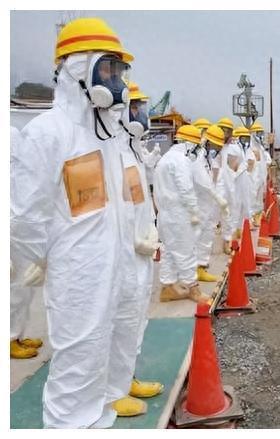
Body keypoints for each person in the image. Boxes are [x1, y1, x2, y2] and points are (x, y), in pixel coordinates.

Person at [11, 17, 138, 428]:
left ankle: (96, 415)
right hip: (76, 268)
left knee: (101, 345)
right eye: (107, 69)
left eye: (119, 71)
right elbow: (25, 213)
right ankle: (67, 427)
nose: (115, 81)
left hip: (111, 261)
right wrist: (37, 261)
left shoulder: (106, 136)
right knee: (78, 353)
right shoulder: (48, 133)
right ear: (77, 69)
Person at [116, 80, 164, 412]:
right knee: (118, 320)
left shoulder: (131, 148)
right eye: (136, 107)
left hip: (140, 253)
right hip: (123, 253)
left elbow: (138, 198)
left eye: (142, 106)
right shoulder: (113, 148)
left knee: (134, 318)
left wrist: (148, 232)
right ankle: (111, 390)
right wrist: (132, 238)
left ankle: (124, 378)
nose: (141, 113)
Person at [153, 124, 208, 303]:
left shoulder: (165, 159)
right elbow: (186, 188)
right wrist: (194, 211)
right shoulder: (181, 161)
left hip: (165, 214)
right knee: (186, 249)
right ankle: (193, 289)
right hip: (178, 213)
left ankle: (168, 287)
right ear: (189, 145)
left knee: (169, 250)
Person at [10, 126, 43, 359]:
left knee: (24, 288)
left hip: (20, 230)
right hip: (11, 231)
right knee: (14, 290)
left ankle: (17, 334)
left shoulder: (13, 133)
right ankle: (9, 338)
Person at [191, 121, 229, 280]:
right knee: (196, 236)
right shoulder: (198, 158)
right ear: (207, 142)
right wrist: (218, 197)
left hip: (207, 204)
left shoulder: (208, 159)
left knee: (207, 234)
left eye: (219, 147)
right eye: (215, 146)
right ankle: (191, 271)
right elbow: (204, 182)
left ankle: (201, 268)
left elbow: (213, 178)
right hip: (198, 204)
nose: (217, 150)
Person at [217, 143, 253, 254]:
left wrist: (248, 215)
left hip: (238, 207)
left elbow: (246, 196)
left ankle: (233, 243)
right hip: (229, 205)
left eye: (232, 159)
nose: (230, 161)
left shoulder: (243, 174)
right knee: (228, 222)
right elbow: (220, 187)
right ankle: (227, 244)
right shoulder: (225, 171)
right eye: (228, 159)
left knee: (236, 224)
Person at [250, 121, 272, 225]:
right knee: (252, 196)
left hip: (260, 177)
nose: (260, 136)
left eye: (261, 133)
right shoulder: (250, 146)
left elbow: (265, 162)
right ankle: (250, 218)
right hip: (254, 177)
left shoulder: (260, 147)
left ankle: (257, 217)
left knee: (259, 198)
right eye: (258, 133)